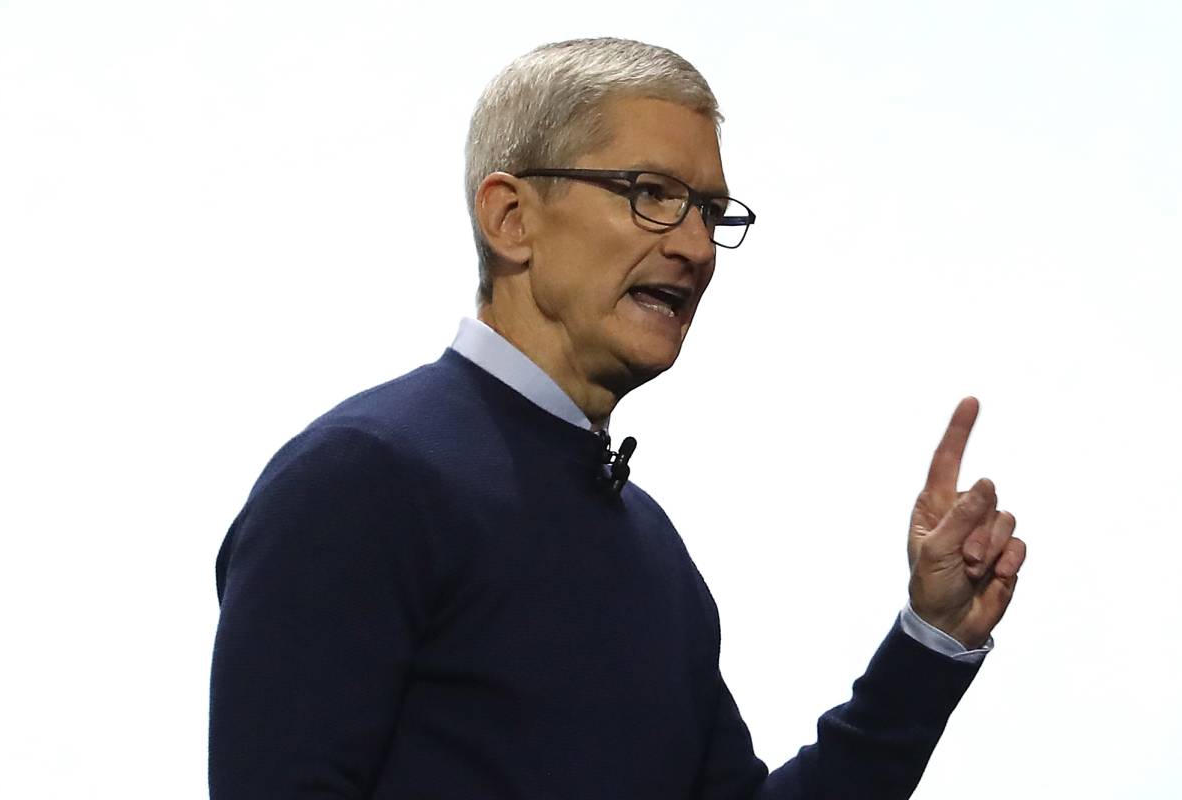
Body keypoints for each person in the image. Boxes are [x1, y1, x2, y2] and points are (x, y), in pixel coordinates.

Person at [209, 37, 1028, 798]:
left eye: (710, 211)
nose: (696, 248)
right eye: (651, 194)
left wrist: (931, 640)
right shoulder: (361, 480)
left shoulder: (652, 549)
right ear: (511, 218)